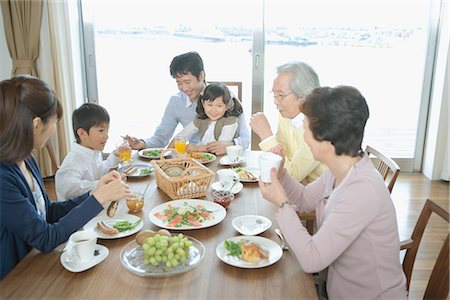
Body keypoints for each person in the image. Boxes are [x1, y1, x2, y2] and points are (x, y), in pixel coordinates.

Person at [258, 86, 407, 299]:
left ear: (328, 138)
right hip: (334, 288)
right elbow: (304, 200)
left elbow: (312, 260)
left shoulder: (362, 190)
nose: (303, 135)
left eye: (306, 127)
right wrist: (282, 174)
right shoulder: (341, 170)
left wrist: (282, 204)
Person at [0, 75, 131, 280]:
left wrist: (93, 193)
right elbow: (45, 237)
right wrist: (98, 200)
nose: (54, 130)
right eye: (54, 122)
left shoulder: (26, 158)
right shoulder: (3, 178)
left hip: (37, 263)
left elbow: (49, 212)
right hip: (16, 278)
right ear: (36, 125)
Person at [124, 51, 250, 155]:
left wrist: (229, 145)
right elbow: (161, 138)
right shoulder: (176, 102)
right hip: (193, 160)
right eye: (179, 82)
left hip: (225, 160)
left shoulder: (227, 99)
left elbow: (245, 139)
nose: (184, 88)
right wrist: (141, 143)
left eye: (187, 81)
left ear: (201, 76)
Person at [250, 61, 326, 184]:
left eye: (281, 95)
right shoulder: (286, 115)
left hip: (329, 196)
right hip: (305, 189)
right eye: (274, 94)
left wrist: (266, 135)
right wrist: (298, 175)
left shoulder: (320, 126)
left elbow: (290, 176)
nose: (275, 101)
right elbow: (283, 156)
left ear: (304, 95)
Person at [55, 103, 127, 201]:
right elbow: (71, 190)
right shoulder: (72, 162)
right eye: (101, 130)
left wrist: (114, 157)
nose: (106, 136)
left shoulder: (93, 151)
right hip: (81, 213)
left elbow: (99, 171)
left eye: (107, 130)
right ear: (82, 133)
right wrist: (105, 184)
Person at [172, 82, 243, 152]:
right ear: (203, 104)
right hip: (204, 157)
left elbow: (219, 147)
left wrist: (197, 148)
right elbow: (183, 135)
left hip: (222, 159)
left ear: (226, 106)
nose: (213, 110)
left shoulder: (230, 121)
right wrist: (172, 148)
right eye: (210, 105)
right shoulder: (201, 119)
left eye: (219, 106)